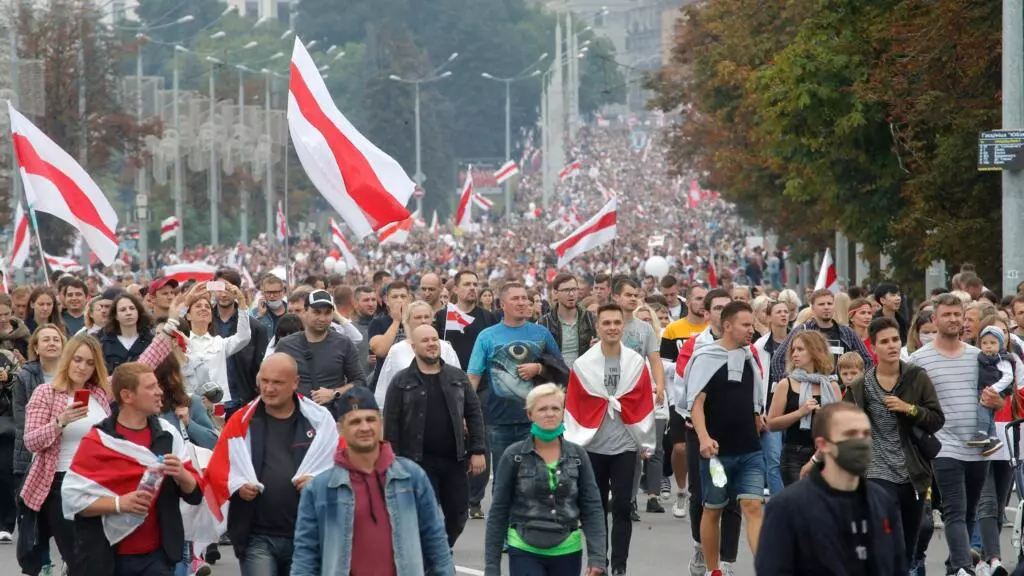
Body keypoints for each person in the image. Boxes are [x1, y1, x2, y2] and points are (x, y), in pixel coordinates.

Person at [290, 386, 454, 576]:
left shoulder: (412, 478)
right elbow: (305, 558)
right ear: (340, 429)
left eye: (370, 420)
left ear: (381, 424)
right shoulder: (320, 489)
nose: (365, 427)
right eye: (355, 422)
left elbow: (437, 545)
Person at [59, 362, 203, 576]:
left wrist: (182, 474)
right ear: (127, 396)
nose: (159, 392)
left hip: (159, 557)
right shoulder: (98, 440)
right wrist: (119, 503)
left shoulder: (167, 434)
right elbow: (73, 500)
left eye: (158, 385)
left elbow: (195, 494)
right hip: (108, 558)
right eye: (150, 387)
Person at [203, 353, 339, 574]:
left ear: (295, 383)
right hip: (256, 536)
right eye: (264, 381)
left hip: (306, 536)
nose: (269, 388)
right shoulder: (240, 421)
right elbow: (219, 468)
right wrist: (238, 486)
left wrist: (319, 481)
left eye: (277, 382)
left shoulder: (321, 421)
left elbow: (338, 467)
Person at [755, 403, 908, 575]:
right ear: (823, 444)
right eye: (850, 434)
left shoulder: (882, 502)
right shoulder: (787, 508)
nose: (861, 441)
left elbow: (898, 567)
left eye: (866, 434)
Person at [843, 316, 944, 572]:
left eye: (895, 340)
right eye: (884, 341)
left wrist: (908, 409)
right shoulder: (860, 385)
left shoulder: (916, 377)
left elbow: (936, 419)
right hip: (875, 472)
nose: (891, 345)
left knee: (910, 542)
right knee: (887, 539)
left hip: (912, 473)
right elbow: (840, 424)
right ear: (873, 347)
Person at [564, 303, 656, 576]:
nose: (613, 327)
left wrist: (644, 440)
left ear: (623, 326)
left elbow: (643, 403)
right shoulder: (583, 365)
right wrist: (572, 443)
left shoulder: (636, 363)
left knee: (623, 508)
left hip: (625, 445)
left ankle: (619, 566)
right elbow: (573, 405)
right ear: (598, 327)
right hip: (593, 446)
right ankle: (598, 562)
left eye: (617, 322)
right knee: (595, 508)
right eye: (607, 323)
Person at [910, 293, 997, 576]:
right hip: (944, 445)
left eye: (957, 315)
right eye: (946, 315)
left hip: (977, 443)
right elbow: (914, 403)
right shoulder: (919, 360)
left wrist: (997, 401)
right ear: (935, 319)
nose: (952, 319)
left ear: (963, 318)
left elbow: (996, 396)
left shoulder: (979, 357)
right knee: (955, 509)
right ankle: (962, 567)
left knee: (970, 510)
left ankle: (953, 566)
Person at [484, 383, 607, 576]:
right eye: (542, 409)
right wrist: (492, 566)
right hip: (524, 548)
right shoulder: (514, 456)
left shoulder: (578, 455)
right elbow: (498, 512)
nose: (550, 414)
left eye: (555, 408)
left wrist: (597, 558)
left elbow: (592, 508)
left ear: (562, 412)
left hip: (568, 550)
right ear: (530, 414)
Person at [681, 300, 765, 576]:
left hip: (750, 450)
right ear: (727, 326)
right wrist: (704, 439)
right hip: (716, 454)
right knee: (714, 508)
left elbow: (754, 402)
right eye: (745, 324)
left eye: (752, 324)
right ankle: (713, 569)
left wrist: (759, 418)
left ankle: (766, 567)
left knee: (753, 506)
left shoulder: (750, 357)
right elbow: (696, 404)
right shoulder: (705, 357)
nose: (751, 330)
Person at [467, 282, 564, 520]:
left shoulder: (541, 333)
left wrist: (538, 367)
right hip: (498, 421)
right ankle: (504, 531)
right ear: (503, 304)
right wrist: (465, 413)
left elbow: (561, 371)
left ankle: (533, 527)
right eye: (517, 299)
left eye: (525, 298)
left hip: (537, 421)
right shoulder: (487, 336)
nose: (522, 303)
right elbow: (473, 376)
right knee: (504, 479)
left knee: (537, 475)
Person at [384, 324, 486, 547]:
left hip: (454, 460)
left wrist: (478, 449)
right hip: (417, 461)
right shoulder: (401, 381)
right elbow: (390, 424)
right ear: (413, 346)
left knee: (458, 514)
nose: (431, 344)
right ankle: (431, 556)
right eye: (425, 340)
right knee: (423, 514)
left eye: (434, 339)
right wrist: (392, 461)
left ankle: (443, 547)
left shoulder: (457, 376)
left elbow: (474, 413)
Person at [19, 333, 113, 575]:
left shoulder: (100, 393)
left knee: (102, 557)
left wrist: (173, 323)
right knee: (79, 559)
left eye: (90, 363)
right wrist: (59, 422)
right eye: (78, 360)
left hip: (99, 483)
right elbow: (31, 441)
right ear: (67, 358)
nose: (82, 367)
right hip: (62, 484)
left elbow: (144, 365)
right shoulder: (46, 393)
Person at [433, 271, 497, 519]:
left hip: (481, 389)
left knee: (481, 442)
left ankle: (475, 499)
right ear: (455, 289)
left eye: (475, 284)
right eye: (467, 284)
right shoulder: (442, 317)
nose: (472, 288)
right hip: (448, 387)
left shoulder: (488, 318)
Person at [766, 330, 842, 486]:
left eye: (800, 349)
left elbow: (841, 426)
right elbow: (771, 424)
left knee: (826, 507)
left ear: (815, 351)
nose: (795, 354)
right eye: (793, 350)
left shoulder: (831, 385)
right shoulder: (786, 384)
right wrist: (800, 413)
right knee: (800, 506)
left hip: (826, 454)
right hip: (795, 454)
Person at [274, 289, 367, 407]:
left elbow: (360, 382)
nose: (322, 318)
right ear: (305, 311)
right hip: (297, 416)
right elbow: (273, 380)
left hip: (332, 416)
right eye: (317, 312)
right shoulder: (286, 345)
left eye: (327, 313)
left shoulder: (343, 343)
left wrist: (335, 393)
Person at [376, 301, 461, 408]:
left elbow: (458, 383)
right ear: (408, 321)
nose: (423, 321)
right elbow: (385, 387)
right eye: (418, 317)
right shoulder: (396, 351)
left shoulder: (445, 348)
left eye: (426, 317)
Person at [538, 273, 597, 368]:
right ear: (556, 294)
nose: (571, 294)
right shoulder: (544, 323)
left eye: (574, 289)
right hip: (557, 377)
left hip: (583, 376)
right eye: (566, 290)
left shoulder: (590, 319)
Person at [970, 326, 1012, 455]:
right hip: (985, 388)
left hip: (994, 390)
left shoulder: (1001, 359)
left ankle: (982, 432)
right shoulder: (981, 357)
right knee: (988, 414)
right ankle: (993, 438)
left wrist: (994, 389)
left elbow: (1008, 377)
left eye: (993, 343)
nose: (988, 346)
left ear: (1000, 344)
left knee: (983, 408)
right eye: (985, 343)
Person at [100, 293, 154, 373]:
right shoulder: (104, 344)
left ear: (138, 312)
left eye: (132, 308)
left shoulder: (151, 341)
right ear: (116, 316)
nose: (128, 313)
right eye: (123, 310)